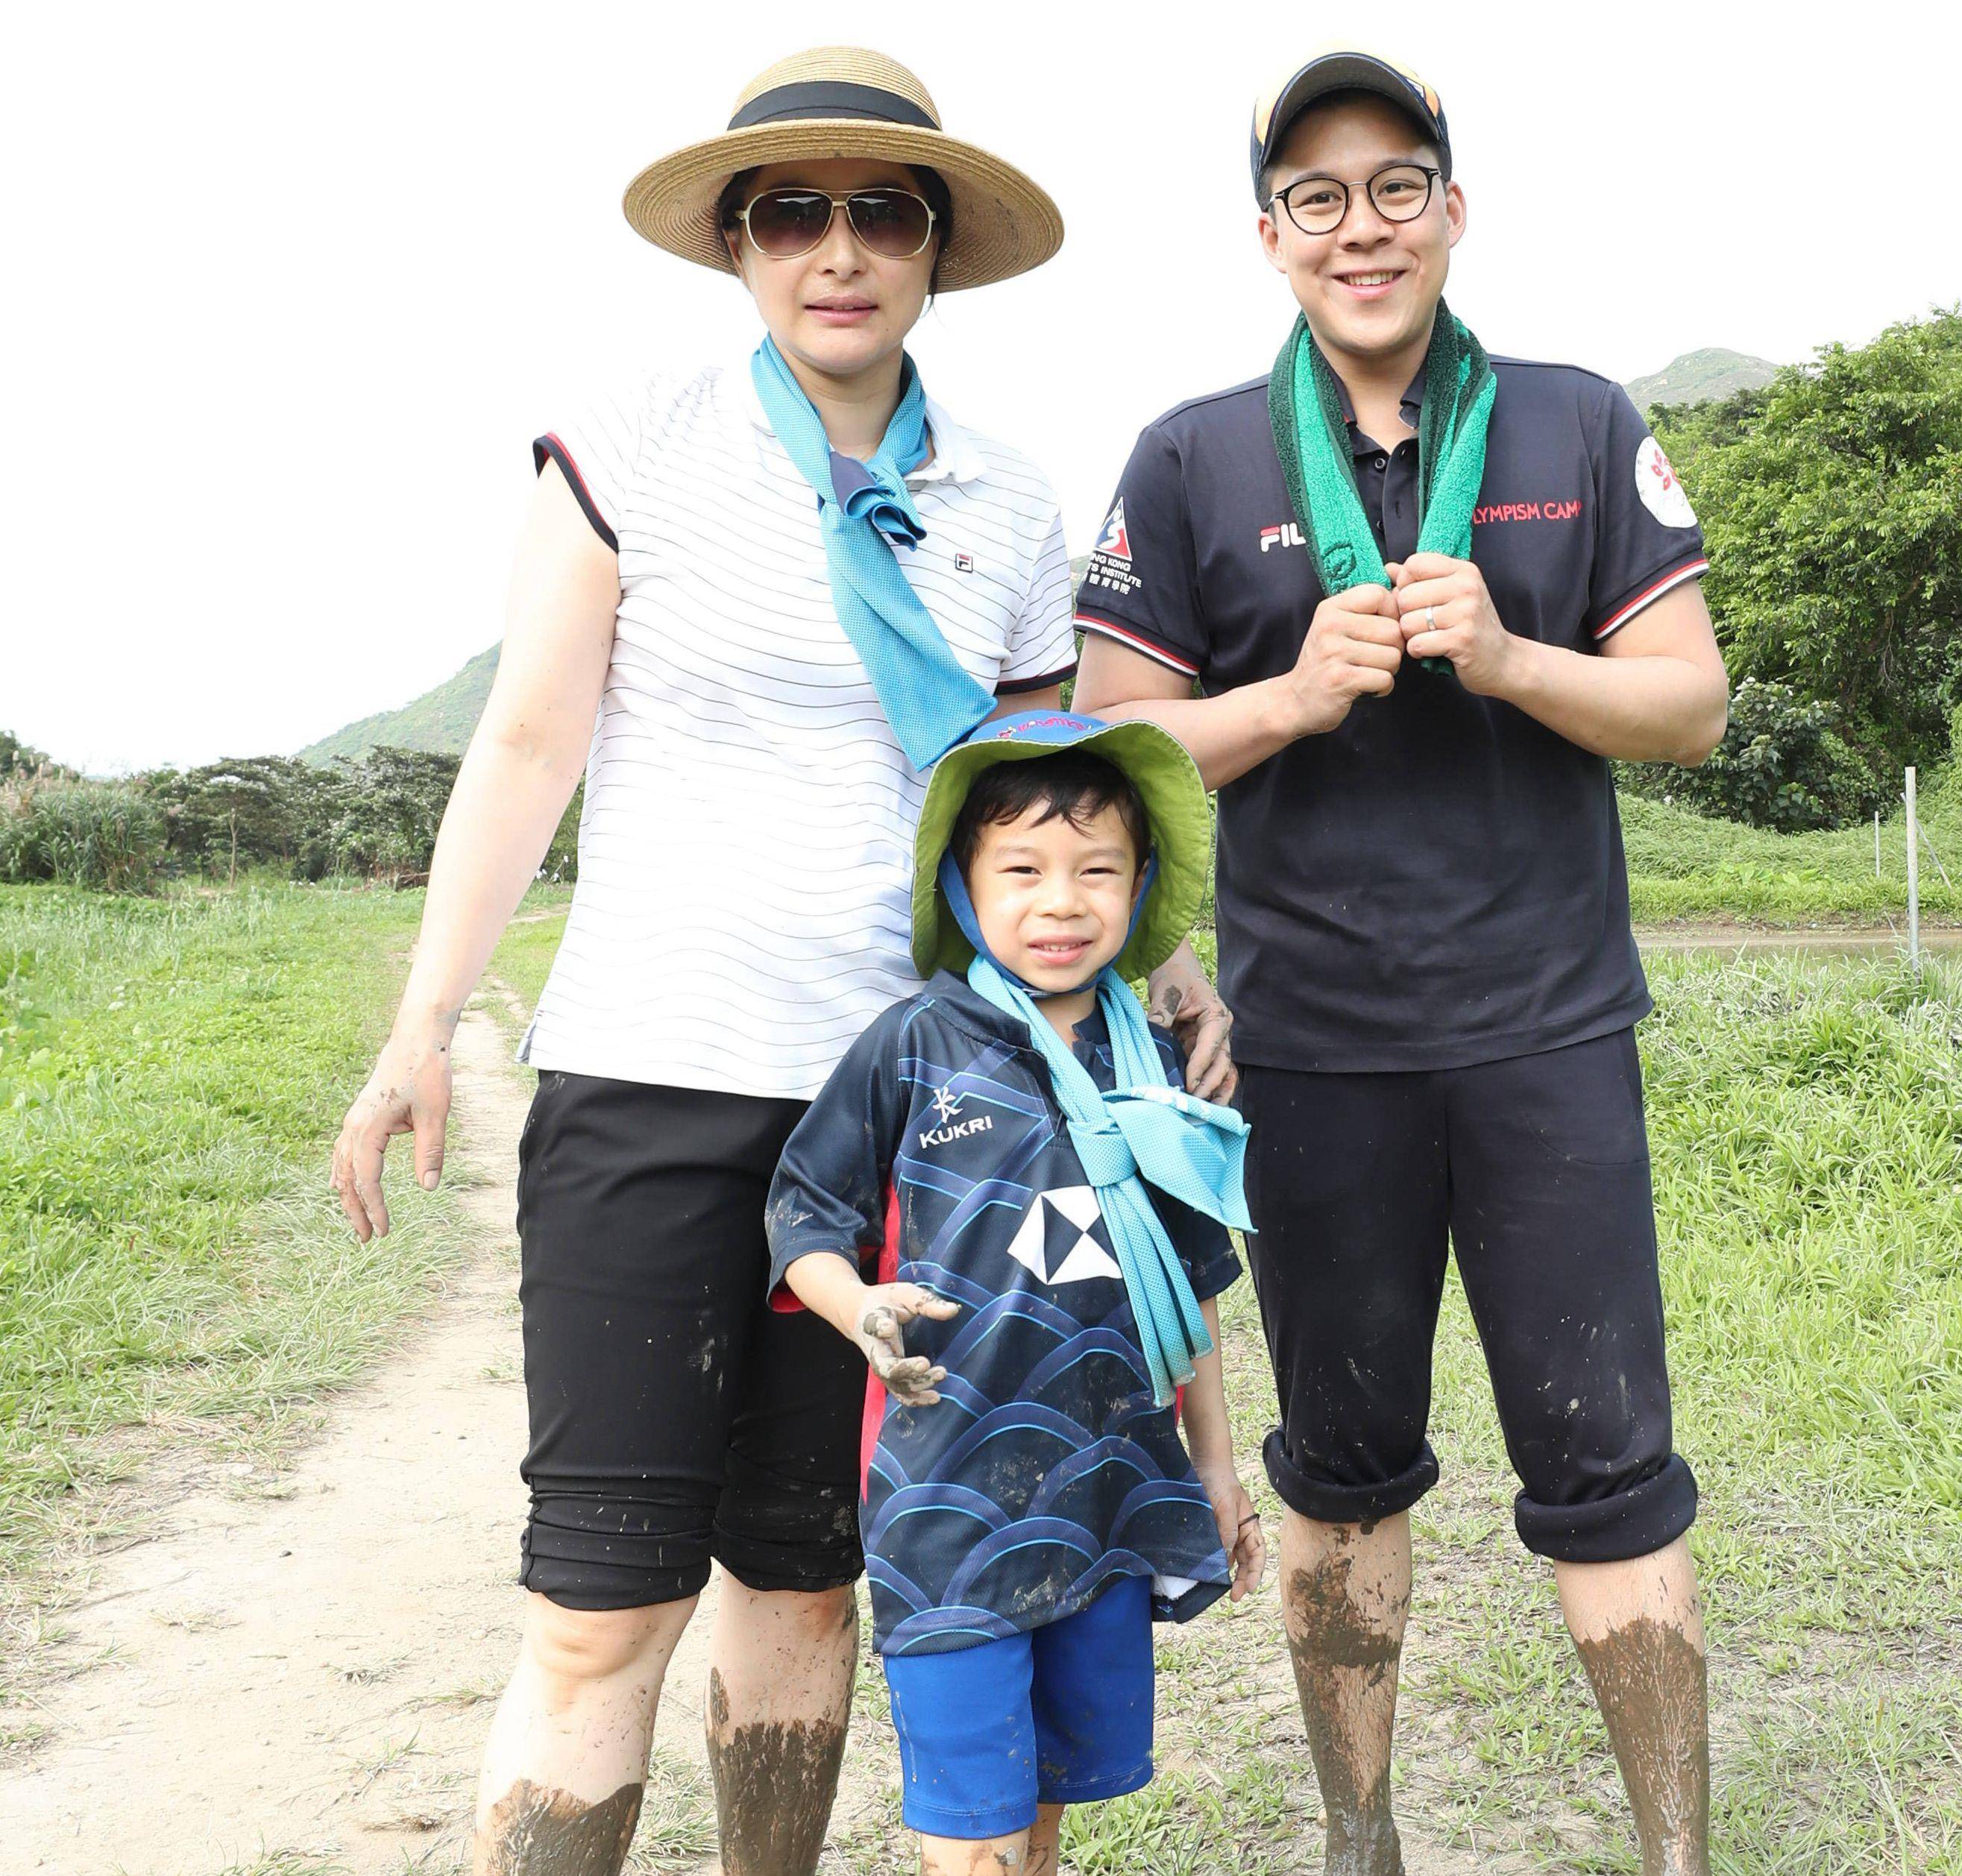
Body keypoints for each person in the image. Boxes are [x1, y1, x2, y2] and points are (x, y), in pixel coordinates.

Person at [326, 48, 1230, 1876]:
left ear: (933, 248)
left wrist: (1161, 965)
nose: (838, 249)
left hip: (910, 1120)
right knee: (598, 1607)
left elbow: (1031, 809)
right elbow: (525, 744)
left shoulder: (1006, 494)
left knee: (807, 1587)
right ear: (738, 246)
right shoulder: (642, 440)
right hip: (651, 1075)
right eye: (792, 213)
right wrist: (425, 1024)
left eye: (881, 212)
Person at [1069, 45, 1732, 1876]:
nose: (1359, 229)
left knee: (1609, 1469)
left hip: (1546, 1035)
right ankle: (1359, 1839)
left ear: (1452, 209)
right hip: (1308, 1050)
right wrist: (1287, 695)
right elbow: (1112, 749)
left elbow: (1689, 703)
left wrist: (1515, 661)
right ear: (1269, 238)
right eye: (1317, 199)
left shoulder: (1574, 423)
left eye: (1393, 188)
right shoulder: (1192, 457)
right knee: (1339, 1472)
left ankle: (1673, 1853)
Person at [769, 711, 1265, 1876]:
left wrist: (1219, 1465)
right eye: (1023, 871)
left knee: (1047, 1808)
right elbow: (803, 1215)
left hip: (1103, 1497)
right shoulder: (912, 1046)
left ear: (1141, 890)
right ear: (962, 884)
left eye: (1099, 870)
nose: (1062, 902)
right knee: (972, 1832)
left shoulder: (1152, 1064)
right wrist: (860, 1308)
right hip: (946, 1503)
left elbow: (1182, 1297)